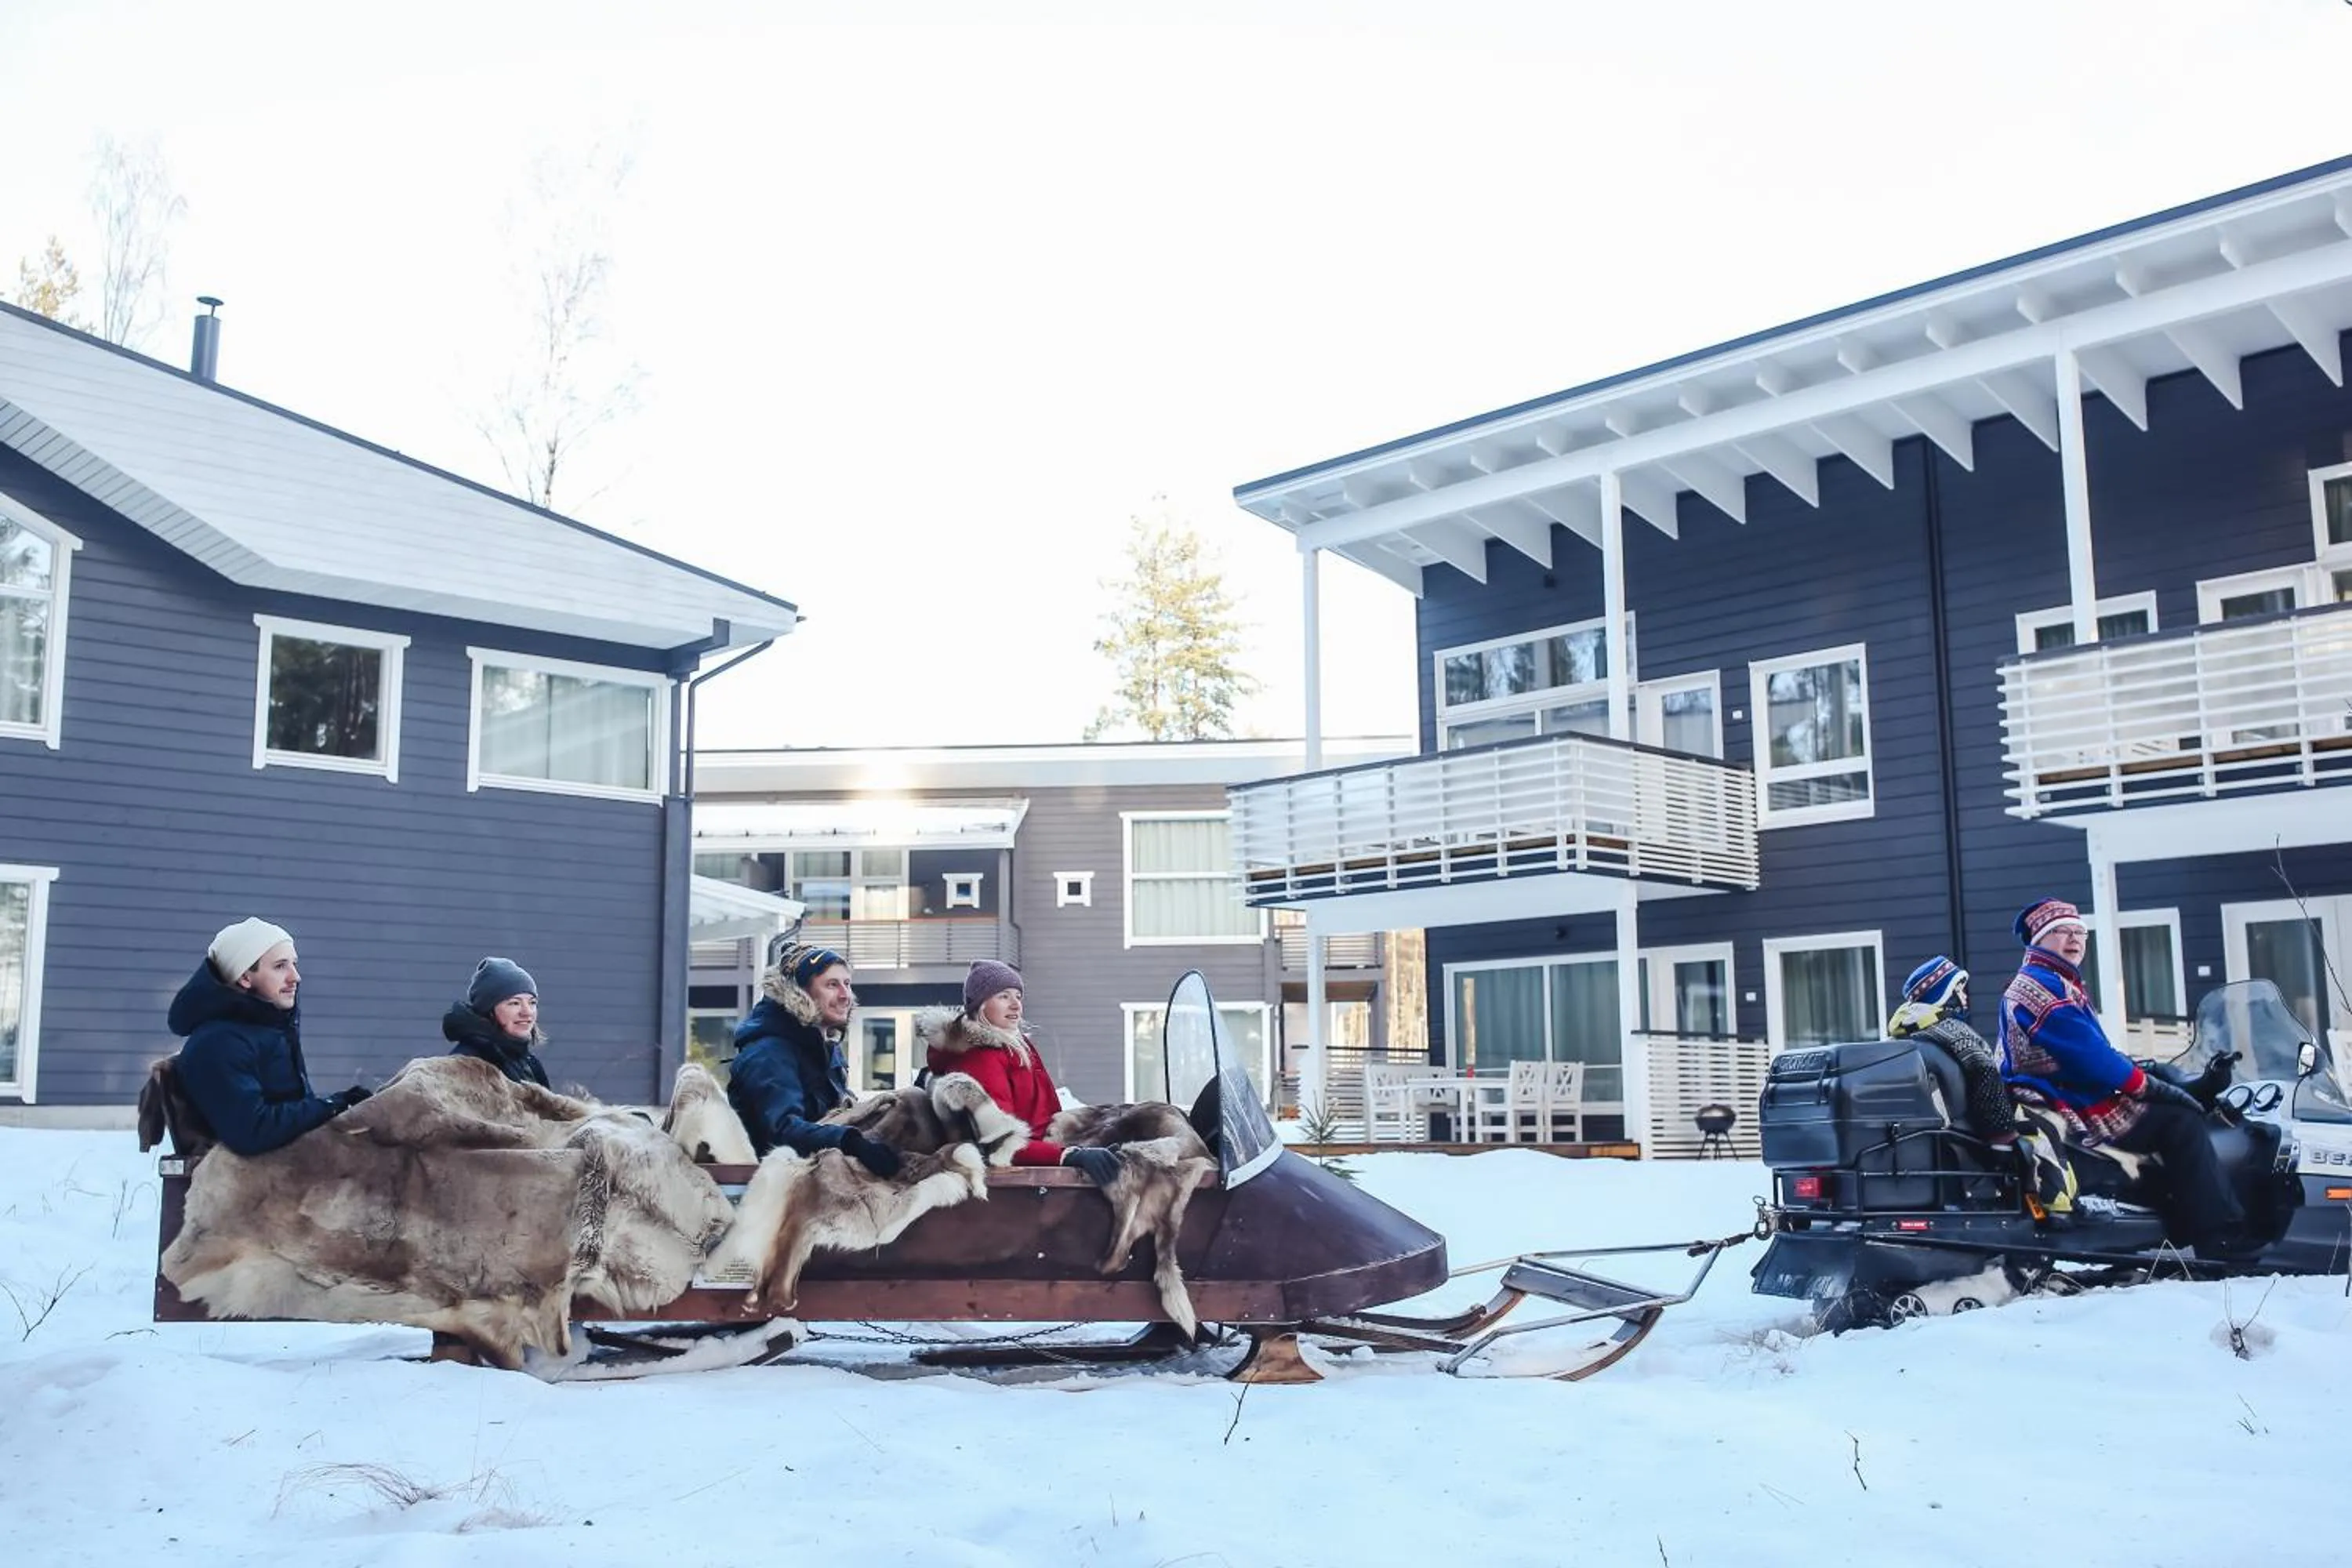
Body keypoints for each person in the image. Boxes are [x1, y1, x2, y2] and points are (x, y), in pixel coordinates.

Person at [1999, 897, 2249, 1255]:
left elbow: (2093, 1050)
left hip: (2067, 1090)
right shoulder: (2041, 988)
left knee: (2168, 1112)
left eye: (2080, 933)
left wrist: (2147, 1070)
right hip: (2065, 1101)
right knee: (2181, 1122)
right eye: (2062, 932)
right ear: (2039, 940)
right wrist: (2147, 1085)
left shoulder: (2053, 980)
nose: (2074, 939)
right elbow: (2090, 1056)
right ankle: (2219, 1238)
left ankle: (2174, 1218)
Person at [1889, 955, 2073, 1221]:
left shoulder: (1911, 1035)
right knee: (2048, 1128)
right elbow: (1985, 1073)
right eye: (1959, 990)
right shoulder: (1956, 1032)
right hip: (1982, 1124)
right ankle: (2055, 1208)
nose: (1965, 997)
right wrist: (2003, 1133)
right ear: (1943, 994)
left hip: (1952, 1126)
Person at [168, 917, 371, 1157]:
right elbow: (252, 1131)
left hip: (292, 1167)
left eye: (294, 964)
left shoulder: (269, 1028)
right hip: (256, 1178)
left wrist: (340, 1105)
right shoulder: (218, 1043)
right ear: (245, 977)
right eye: (280, 966)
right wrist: (330, 1106)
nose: (295, 977)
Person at [924, 960, 1120, 1186]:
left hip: (1043, 1152)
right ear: (980, 1005)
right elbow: (1001, 1144)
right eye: (1004, 996)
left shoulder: (1015, 1046)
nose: (1016, 1005)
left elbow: (1045, 1117)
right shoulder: (980, 1058)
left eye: (1018, 996)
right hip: (1021, 1182)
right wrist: (1069, 1155)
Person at [726, 943, 901, 1175]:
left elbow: (835, 1114)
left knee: (909, 1107)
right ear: (800, 993)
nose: (845, 995)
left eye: (847, 984)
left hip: (821, 1171)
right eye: (832, 985)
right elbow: (782, 1131)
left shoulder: (824, 1047)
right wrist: (851, 1142)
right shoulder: (769, 1053)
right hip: (777, 1183)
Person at [441, 956, 550, 1088]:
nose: (527, 1012)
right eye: (514, 1003)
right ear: (488, 1009)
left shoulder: (530, 1064)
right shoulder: (466, 1065)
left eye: (532, 1003)